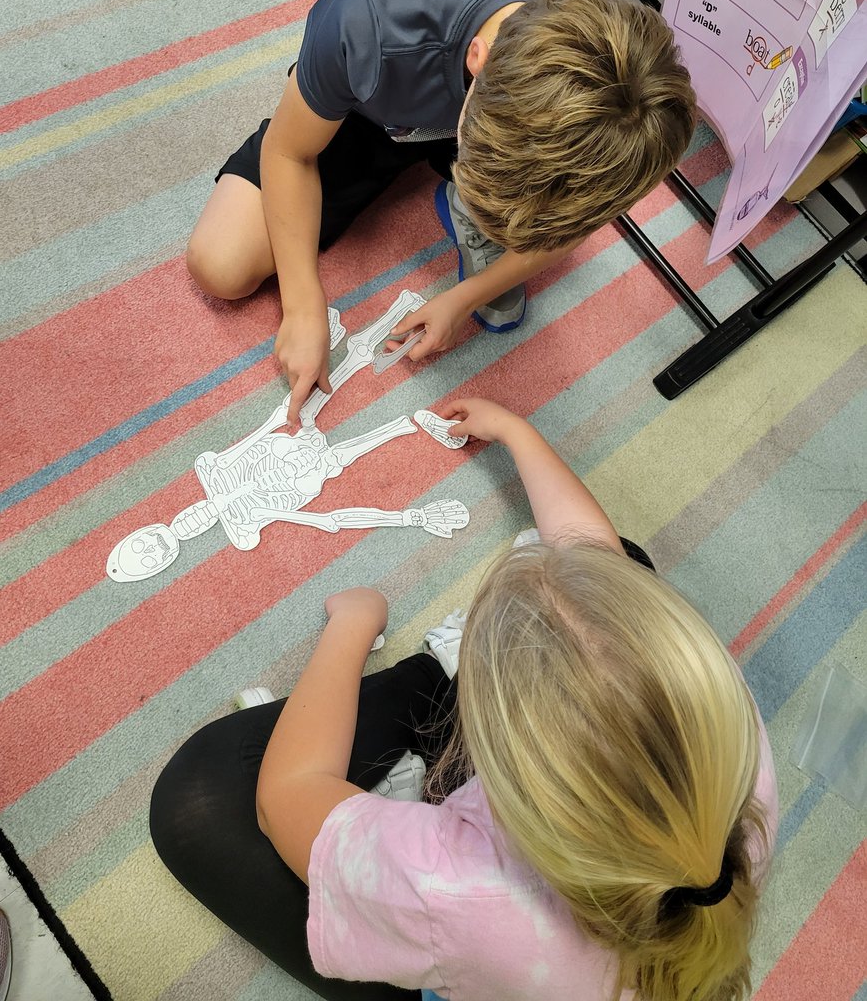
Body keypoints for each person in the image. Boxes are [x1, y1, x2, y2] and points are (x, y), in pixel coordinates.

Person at [150, 398, 777, 1001]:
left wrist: (353, 623)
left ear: (487, 749)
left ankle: (431, 691)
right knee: (620, 567)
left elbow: (287, 796)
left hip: (468, 944)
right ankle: (445, 690)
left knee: (196, 801)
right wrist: (516, 432)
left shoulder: (461, 889)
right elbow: (607, 569)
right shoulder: (732, 742)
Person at [186, 0, 697, 426]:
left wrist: (466, 297)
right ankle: (462, 175)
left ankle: (474, 192)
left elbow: (569, 225)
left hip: (478, 107)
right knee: (220, 264)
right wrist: (301, 304)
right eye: (481, 178)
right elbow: (290, 151)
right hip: (378, 103)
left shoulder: (621, 106)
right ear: (478, 57)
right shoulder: (367, 23)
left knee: (534, 216)